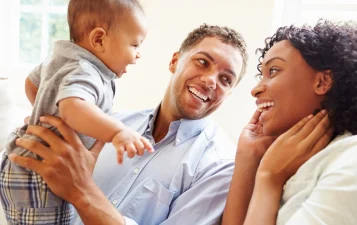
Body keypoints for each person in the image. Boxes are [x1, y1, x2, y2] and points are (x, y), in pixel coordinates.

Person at [8, 24, 248, 225]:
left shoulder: (220, 168)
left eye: (226, 79)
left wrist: (81, 191)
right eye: (203, 62)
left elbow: (77, 189)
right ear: (174, 61)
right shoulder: (112, 122)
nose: (210, 81)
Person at [222, 20, 357, 225]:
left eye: (273, 71)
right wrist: (248, 156)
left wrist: (268, 180)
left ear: (322, 82)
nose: (256, 90)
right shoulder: (295, 165)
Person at [0, 0, 151, 224]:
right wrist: (117, 132)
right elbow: (72, 107)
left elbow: (32, 84)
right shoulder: (86, 71)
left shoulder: (61, 58)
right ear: (99, 39)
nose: (138, 55)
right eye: (135, 45)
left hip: (27, 165)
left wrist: (45, 113)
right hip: (39, 171)